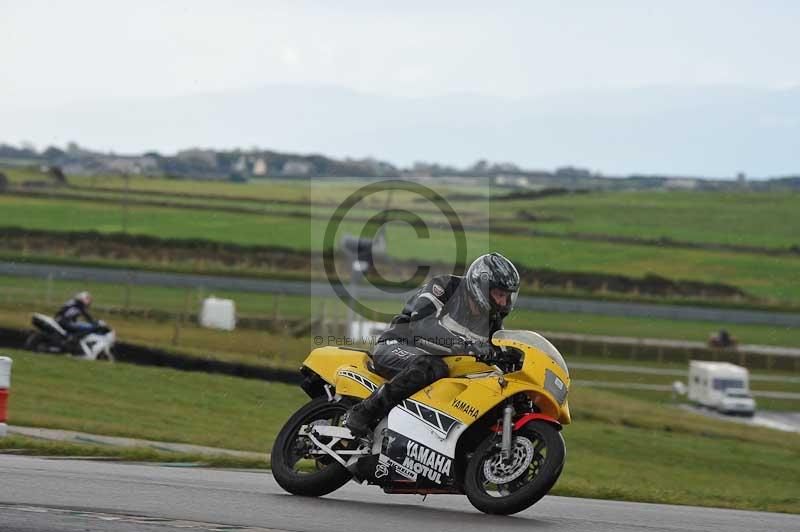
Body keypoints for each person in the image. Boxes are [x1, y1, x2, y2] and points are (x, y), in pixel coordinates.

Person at [345, 253, 520, 437]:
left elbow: (498, 349)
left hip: (436, 363)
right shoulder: (445, 287)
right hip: (396, 344)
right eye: (499, 294)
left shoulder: (492, 322)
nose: (503, 302)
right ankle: (362, 413)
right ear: (481, 287)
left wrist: (513, 357)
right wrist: (464, 345)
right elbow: (421, 325)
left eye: (507, 296)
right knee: (429, 367)